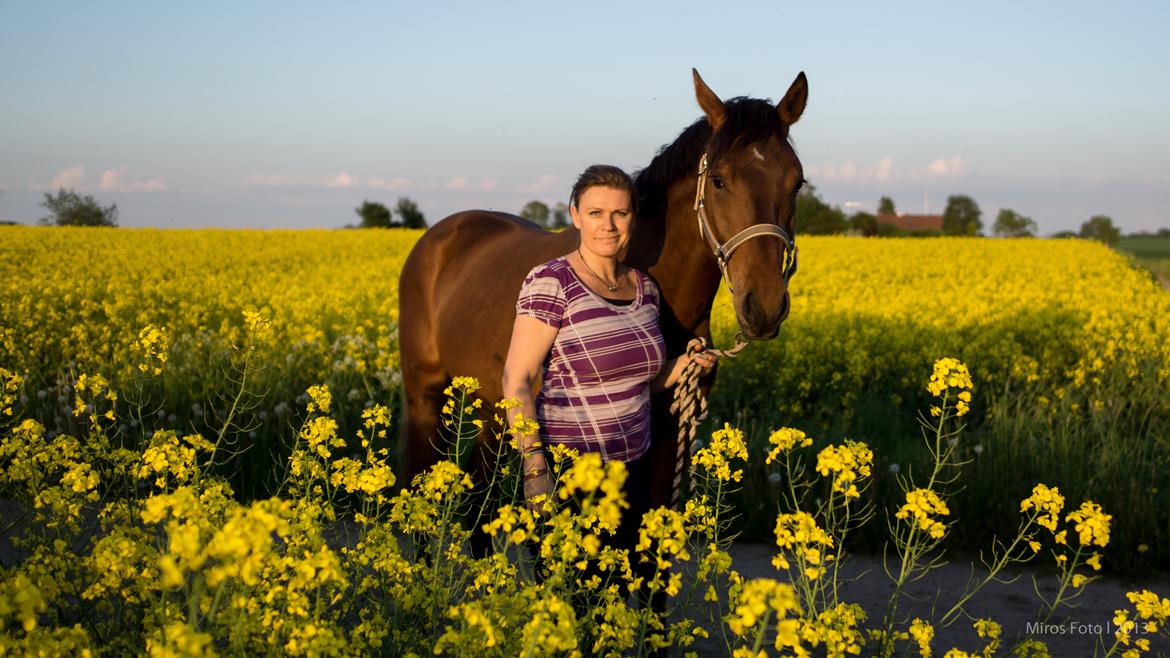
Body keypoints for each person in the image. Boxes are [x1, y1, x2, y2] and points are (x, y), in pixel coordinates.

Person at [501, 164, 717, 546]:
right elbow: (516, 380)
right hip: (571, 471)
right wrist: (535, 470)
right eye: (595, 213)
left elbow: (640, 381)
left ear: (634, 218)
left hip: (633, 471)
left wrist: (683, 367)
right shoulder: (552, 281)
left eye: (620, 213)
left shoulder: (645, 288)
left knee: (623, 577)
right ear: (576, 216)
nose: (608, 225)